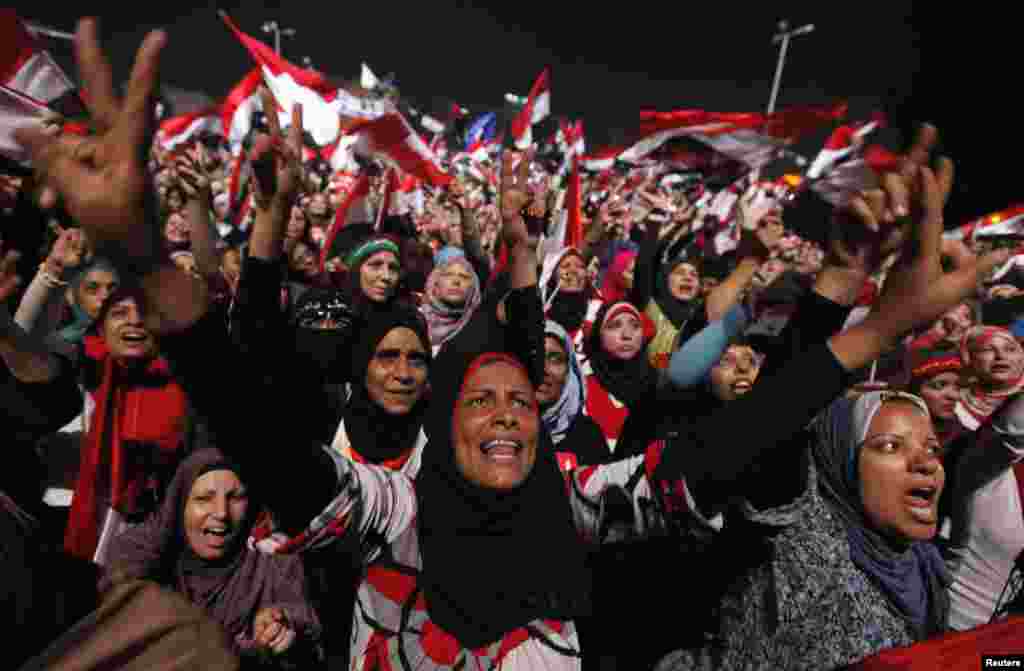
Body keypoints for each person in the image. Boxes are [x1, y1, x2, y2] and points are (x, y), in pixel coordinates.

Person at [15, 22, 1003, 668]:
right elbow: (268, 439)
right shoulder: (394, 514)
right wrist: (145, 255)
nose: (499, 408)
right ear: (439, 429)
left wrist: (860, 315)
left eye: (518, 398)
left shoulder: (583, 512)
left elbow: (728, 443)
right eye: (474, 397)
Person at [104, 448, 322, 666]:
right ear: (179, 504)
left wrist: (281, 630)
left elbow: (304, 630)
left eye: (236, 497)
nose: (221, 513)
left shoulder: (273, 562)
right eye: (203, 498)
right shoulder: (142, 552)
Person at [539, 320, 608, 469]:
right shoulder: (500, 425)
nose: (544, 368)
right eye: (535, 355)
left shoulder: (588, 437)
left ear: (569, 372)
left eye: (555, 359)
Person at [955, 325, 1024, 430]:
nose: (1000, 356)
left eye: (1010, 349)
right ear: (969, 358)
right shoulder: (955, 404)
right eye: (987, 350)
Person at [420, 254, 482, 355]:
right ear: (435, 283)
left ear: (473, 288)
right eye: (448, 274)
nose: (456, 281)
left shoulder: (478, 330)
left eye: (464, 277)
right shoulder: (414, 318)